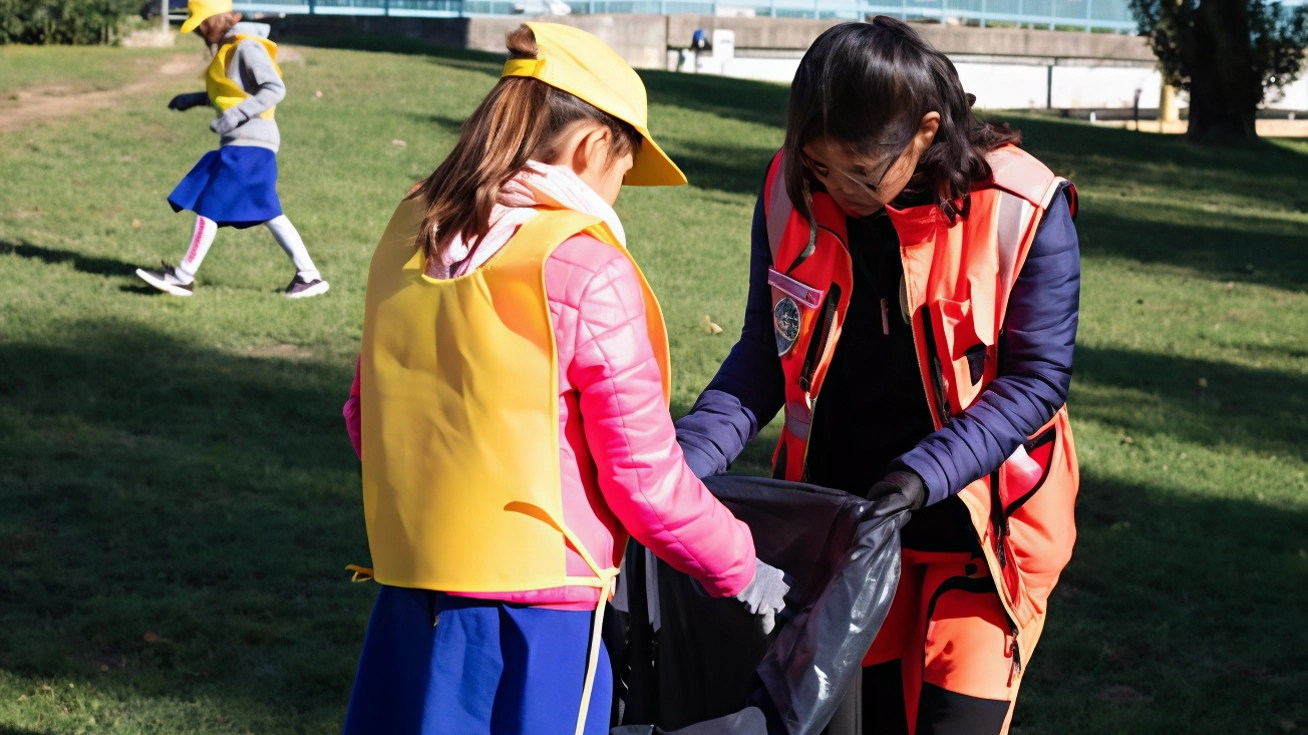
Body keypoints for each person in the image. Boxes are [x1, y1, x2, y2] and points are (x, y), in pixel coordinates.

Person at [338, 24, 789, 735]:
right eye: (625, 170)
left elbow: (367, 415)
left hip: (407, 598)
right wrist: (740, 565)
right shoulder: (584, 267)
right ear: (591, 148)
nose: (621, 194)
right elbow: (643, 480)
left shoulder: (411, 229)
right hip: (536, 622)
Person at [675, 18, 1081, 735]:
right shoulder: (786, 190)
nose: (835, 188)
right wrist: (680, 465)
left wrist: (921, 474)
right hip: (843, 531)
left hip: (982, 544)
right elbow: (766, 352)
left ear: (926, 131)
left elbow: (1037, 379)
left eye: (859, 171)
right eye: (817, 167)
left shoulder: (1024, 207)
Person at [134, 0, 328, 299]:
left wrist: (233, 117)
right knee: (269, 212)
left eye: (201, 22)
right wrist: (194, 99)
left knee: (208, 204)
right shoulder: (230, 47)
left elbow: (274, 89)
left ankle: (183, 276)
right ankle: (309, 276)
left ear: (218, 18)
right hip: (247, 144)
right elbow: (234, 92)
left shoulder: (247, 47)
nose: (198, 29)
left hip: (250, 144)